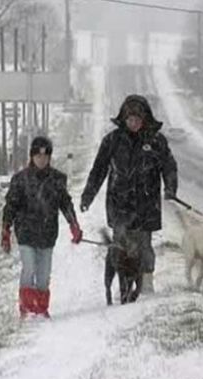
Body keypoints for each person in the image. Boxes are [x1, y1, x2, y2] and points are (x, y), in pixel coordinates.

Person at [80, 94, 178, 295]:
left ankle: (146, 281)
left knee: (143, 245)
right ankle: (123, 284)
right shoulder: (112, 141)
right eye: (130, 119)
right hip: (119, 204)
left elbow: (169, 166)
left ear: (145, 119)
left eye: (138, 119)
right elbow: (99, 170)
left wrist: (170, 188)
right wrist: (87, 196)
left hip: (146, 203)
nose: (134, 123)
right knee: (121, 246)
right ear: (124, 119)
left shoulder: (156, 141)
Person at [1, 136, 83, 319]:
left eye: (45, 157)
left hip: (47, 234)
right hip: (26, 233)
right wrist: (6, 230)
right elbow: (10, 206)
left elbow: (66, 204)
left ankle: (40, 307)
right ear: (32, 157)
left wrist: (74, 225)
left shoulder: (57, 179)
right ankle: (26, 304)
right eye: (38, 156)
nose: (42, 160)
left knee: (44, 274)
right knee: (29, 267)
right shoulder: (20, 180)